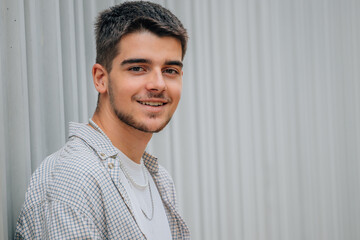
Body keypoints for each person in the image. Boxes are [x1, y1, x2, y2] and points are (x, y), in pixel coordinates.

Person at [14, 1, 189, 239]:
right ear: (100, 78)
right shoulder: (75, 179)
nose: (158, 84)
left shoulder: (160, 179)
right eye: (138, 68)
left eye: (170, 70)